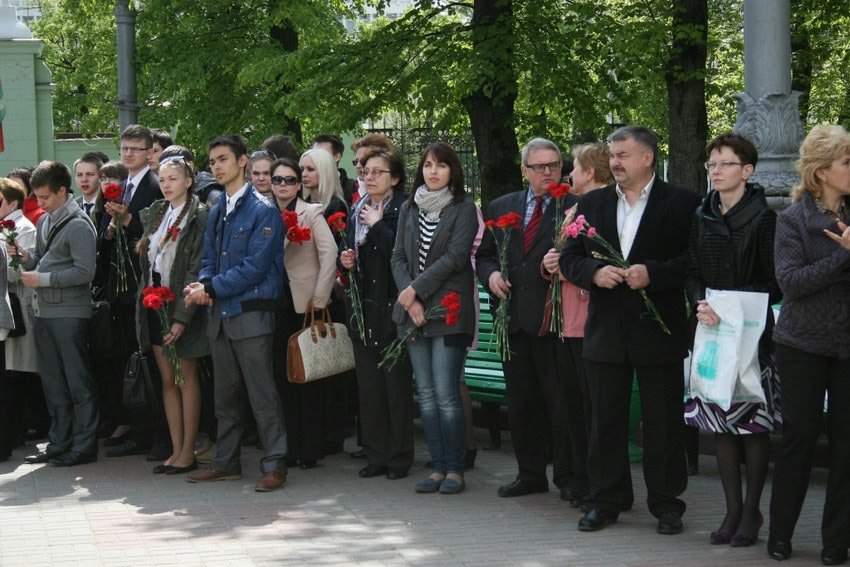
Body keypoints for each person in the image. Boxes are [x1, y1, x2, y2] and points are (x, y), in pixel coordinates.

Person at [560, 126, 700, 535]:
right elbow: (570, 258)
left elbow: (692, 263)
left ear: (648, 158)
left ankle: (666, 503)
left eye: (623, 154)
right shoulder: (593, 204)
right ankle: (606, 500)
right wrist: (593, 272)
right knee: (604, 421)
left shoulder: (683, 203)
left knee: (662, 422)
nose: (615, 162)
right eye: (612, 155)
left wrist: (652, 274)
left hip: (658, 331)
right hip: (605, 330)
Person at [685, 133, 781, 547]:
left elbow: (774, 283)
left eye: (725, 163)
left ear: (747, 171)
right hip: (711, 332)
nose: (717, 171)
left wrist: (732, 306)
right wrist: (699, 302)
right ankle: (731, 510)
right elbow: (691, 270)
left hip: (751, 337)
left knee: (752, 427)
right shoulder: (701, 215)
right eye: (712, 164)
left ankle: (753, 510)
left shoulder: (765, 218)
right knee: (720, 425)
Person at [476, 138, 579, 500]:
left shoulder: (573, 206)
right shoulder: (503, 206)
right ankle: (529, 474)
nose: (548, 172)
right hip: (513, 319)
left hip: (553, 322)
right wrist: (489, 276)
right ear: (525, 171)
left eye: (554, 165)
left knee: (560, 403)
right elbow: (484, 256)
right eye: (539, 166)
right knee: (521, 404)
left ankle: (567, 478)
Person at [184, 134, 288, 492]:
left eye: (223, 159)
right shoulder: (217, 210)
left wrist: (210, 288)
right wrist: (203, 283)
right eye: (212, 161)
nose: (216, 166)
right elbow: (208, 258)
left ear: (243, 161)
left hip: (251, 315)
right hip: (221, 316)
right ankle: (226, 463)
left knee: (263, 395)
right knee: (224, 397)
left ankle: (275, 463)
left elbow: (255, 267)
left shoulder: (264, 209)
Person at [767, 125, 850, 565]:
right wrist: (843, 256)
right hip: (801, 342)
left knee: (846, 442)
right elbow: (792, 284)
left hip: (847, 344)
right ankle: (780, 533)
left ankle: (837, 541)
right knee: (799, 437)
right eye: (847, 163)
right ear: (821, 172)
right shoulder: (792, 220)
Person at [391, 142, 478, 494]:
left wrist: (416, 291)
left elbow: (456, 258)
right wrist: (409, 298)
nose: (433, 171)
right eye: (428, 165)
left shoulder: (464, 208)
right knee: (425, 394)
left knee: (445, 394)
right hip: (414, 312)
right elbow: (398, 257)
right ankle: (438, 467)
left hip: (450, 311)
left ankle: (456, 469)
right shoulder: (409, 208)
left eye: (441, 165)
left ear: (452, 171)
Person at [541, 142, 615, 509]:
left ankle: (595, 483)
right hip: (567, 321)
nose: (569, 174)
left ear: (592, 171)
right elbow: (562, 256)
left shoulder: (608, 208)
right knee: (572, 404)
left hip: (591, 322)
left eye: (575, 167)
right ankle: (579, 478)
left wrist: (568, 267)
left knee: (593, 409)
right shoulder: (573, 208)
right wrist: (550, 262)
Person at [11, 161, 99, 467]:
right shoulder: (48, 221)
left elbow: (86, 271)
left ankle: (84, 445)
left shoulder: (78, 223)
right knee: (53, 382)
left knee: (77, 381)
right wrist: (25, 258)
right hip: (46, 311)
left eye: (46, 197)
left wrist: (43, 279)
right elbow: (42, 260)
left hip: (70, 312)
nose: (41, 203)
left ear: (63, 191)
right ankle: (59, 441)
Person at [339, 149, 413, 480]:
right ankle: (375, 455)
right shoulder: (359, 209)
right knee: (369, 389)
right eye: (365, 172)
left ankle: (398, 458)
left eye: (377, 173)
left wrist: (379, 225)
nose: (369, 178)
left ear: (394, 178)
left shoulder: (404, 209)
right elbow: (362, 260)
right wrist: (349, 262)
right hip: (364, 309)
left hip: (392, 309)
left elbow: (402, 255)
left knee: (395, 388)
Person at [135, 156, 209, 475]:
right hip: (155, 302)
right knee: (167, 379)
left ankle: (188, 451)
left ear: (188, 181)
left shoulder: (199, 215)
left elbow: (195, 266)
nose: (166, 185)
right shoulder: (156, 212)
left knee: (185, 377)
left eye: (173, 179)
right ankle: (175, 449)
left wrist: (181, 317)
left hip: (182, 304)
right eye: (162, 179)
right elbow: (147, 257)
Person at [98, 124, 166, 460]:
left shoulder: (155, 185)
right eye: (124, 148)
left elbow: (155, 236)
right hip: (123, 288)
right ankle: (140, 430)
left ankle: (158, 435)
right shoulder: (122, 185)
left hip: (145, 284)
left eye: (135, 149)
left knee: (150, 365)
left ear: (150, 152)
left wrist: (127, 223)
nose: (127, 154)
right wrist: (112, 227)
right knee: (132, 362)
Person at [268, 157, 337, 468]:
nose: (283, 185)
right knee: (282, 378)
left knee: (307, 378)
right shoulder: (264, 213)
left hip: (304, 306)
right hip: (273, 304)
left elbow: (330, 252)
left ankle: (310, 449)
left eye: (289, 180)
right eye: (278, 179)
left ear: (298, 184)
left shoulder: (310, 212)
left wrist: (320, 298)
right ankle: (289, 446)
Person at [0, 178, 41, 451]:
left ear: (13, 203)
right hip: (7, 308)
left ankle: (15, 434)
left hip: (17, 308)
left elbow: (18, 272)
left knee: (14, 377)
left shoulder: (22, 227)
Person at [299, 148, 348, 219]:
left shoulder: (337, 205)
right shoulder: (302, 203)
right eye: (302, 169)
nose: (304, 174)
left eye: (310, 169)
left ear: (324, 171)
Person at [312, 134, 358, 203]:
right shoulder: (306, 186)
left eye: (322, 154)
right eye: (313, 154)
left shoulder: (353, 188)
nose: (316, 158)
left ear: (337, 157)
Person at [74, 154, 105, 229]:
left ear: (100, 177)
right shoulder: (72, 206)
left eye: (90, 174)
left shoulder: (109, 206)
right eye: (79, 175)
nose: (84, 179)